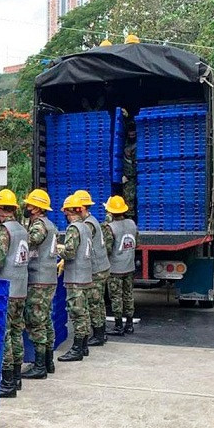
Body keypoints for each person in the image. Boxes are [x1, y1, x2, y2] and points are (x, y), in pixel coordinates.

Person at [0, 189, 29, 398]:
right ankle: (17, 377)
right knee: (17, 331)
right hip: (21, 288)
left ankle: (8, 382)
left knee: (6, 334)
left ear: (0, 210)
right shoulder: (22, 229)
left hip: (6, 289)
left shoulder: (4, 231)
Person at [20, 189, 59, 380]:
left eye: (29, 205)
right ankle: (48, 362)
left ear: (36, 208)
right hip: (48, 278)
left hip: (39, 280)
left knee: (36, 322)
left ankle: (39, 365)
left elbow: (28, 242)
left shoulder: (39, 226)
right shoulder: (50, 224)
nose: (26, 208)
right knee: (46, 321)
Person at [57, 194, 93, 362]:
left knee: (77, 313)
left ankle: (77, 349)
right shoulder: (86, 226)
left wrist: (56, 249)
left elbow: (70, 252)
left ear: (69, 212)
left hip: (75, 277)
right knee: (84, 312)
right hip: (85, 275)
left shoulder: (74, 228)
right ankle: (83, 346)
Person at [74, 189, 111, 348]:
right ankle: (101, 332)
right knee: (99, 302)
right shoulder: (93, 220)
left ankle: (98, 335)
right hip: (102, 267)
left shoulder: (88, 225)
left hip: (96, 269)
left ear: (81, 208)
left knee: (94, 302)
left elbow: (81, 245)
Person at [103, 196, 139, 336]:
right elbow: (138, 242)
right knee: (128, 295)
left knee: (116, 297)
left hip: (115, 269)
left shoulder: (110, 228)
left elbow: (107, 248)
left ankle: (118, 325)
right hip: (129, 267)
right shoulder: (131, 224)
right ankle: (129, 324)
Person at [122, 113, 137, 218]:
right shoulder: (127, 142)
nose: (131, 134)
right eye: (130, 131)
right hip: (128, 176)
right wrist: (126, 117)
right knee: (128, 199)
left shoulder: (137, 145)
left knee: (130, 198)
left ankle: (130, 220)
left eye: (133, 131)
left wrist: (128, 175)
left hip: (132, 177)